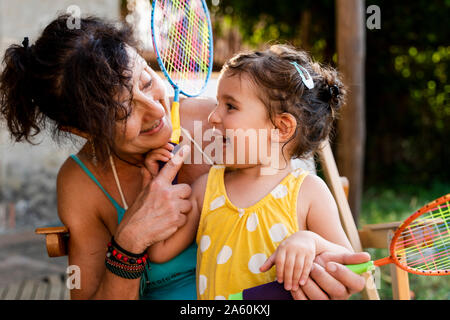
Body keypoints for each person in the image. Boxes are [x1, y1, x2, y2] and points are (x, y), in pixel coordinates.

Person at [0, 14, 370, 300]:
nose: (154, 110)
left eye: (145, 81)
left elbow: (331, 246)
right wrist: (131, 239)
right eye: (121, 111)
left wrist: (314, 254)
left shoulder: (229, 127)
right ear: (80, 129)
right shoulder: (83, 182)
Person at [146, 44, 363, 300]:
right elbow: (159, 252)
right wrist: (155, 182)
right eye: (218, 104)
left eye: (230, 107)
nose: (213, 117)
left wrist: (310, 242)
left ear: (281, 128)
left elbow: (351, 267)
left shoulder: (308, 192)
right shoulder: (207, 188)